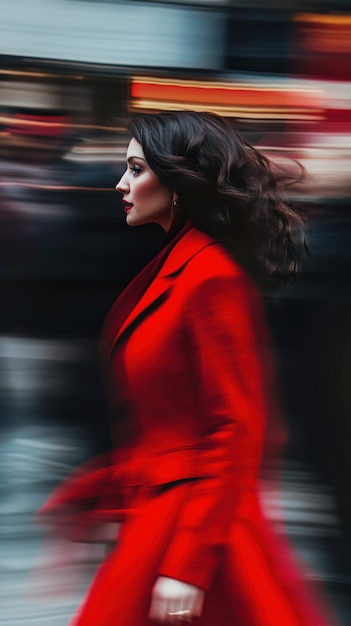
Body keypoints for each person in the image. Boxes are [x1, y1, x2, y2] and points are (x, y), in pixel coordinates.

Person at [38, 111, 333, 626]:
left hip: (192, 525)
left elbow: (238, 429)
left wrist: (188, 565)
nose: (120, 183)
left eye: (135, 169)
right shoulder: (179, 267)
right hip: (167, 517)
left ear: (177, 183)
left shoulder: (210, 279)